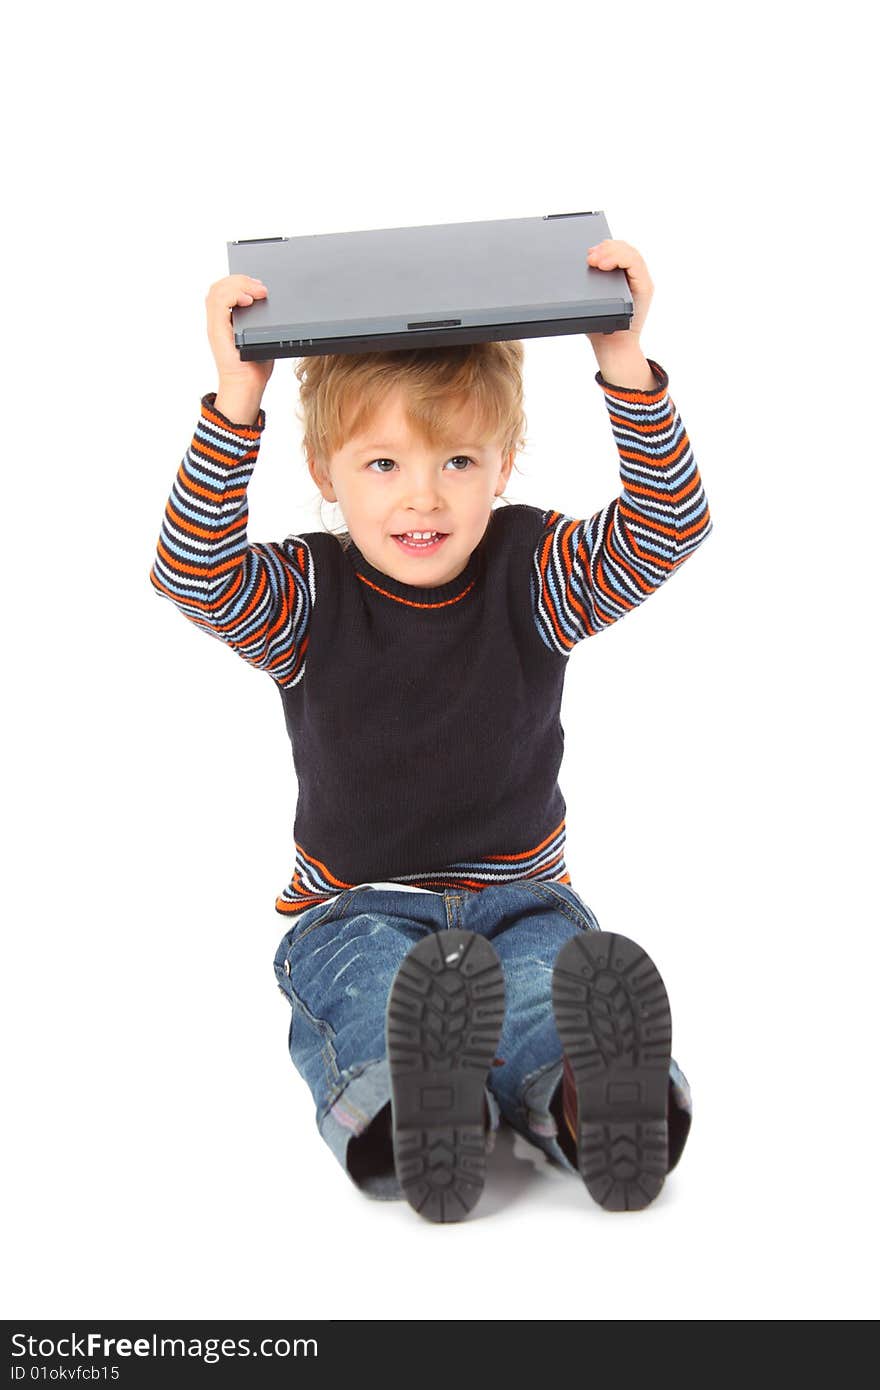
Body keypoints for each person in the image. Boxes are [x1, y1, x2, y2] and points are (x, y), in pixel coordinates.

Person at [148, 239, 712, 1221]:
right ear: (327, 470)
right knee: (365, 1002)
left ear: (502, 466)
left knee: (549, 1006)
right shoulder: (306, 595)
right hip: (359, 908)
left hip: (521, 901)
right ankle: (413, 1121)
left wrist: (623, 363)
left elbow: (665, 528)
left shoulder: (532, 573)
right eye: (384, 462)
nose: (423, 494)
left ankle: (590, 1104)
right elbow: (193, 570)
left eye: (457, 460)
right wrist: (235, 400)